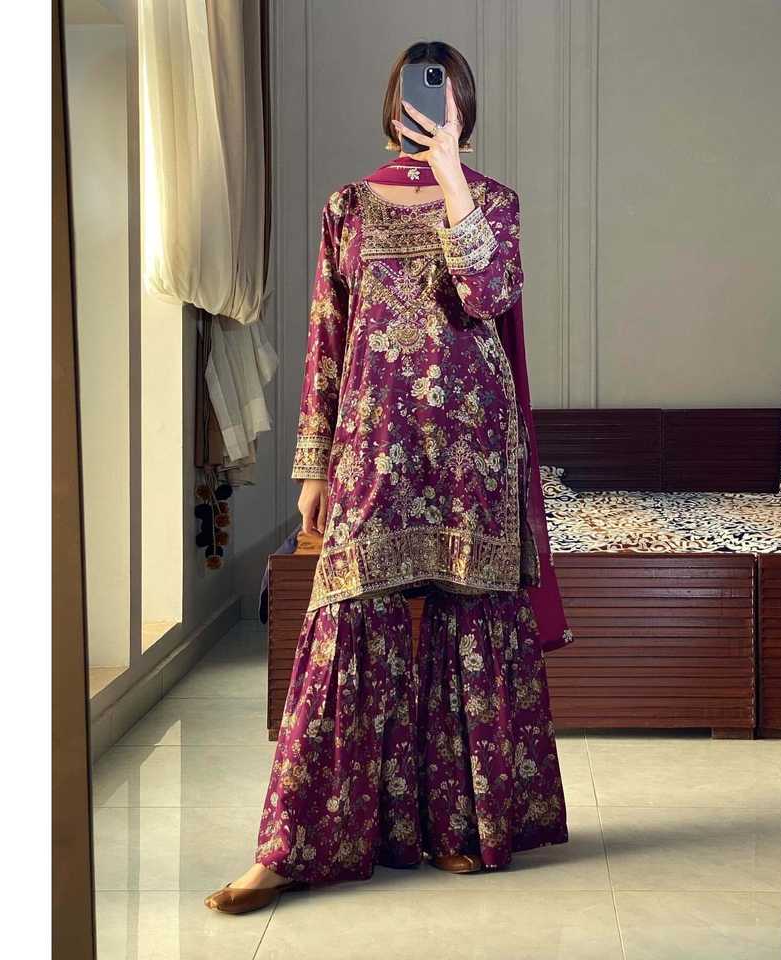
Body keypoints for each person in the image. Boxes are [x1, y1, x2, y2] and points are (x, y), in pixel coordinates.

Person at [206, 40, 572, 915]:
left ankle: (466, 826)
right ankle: (292, 848)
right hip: (373, 445)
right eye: (420, 93)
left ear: (464, 109)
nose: (431, 105)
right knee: (341, 628)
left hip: (472, 451)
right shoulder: (347, 207)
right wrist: (312, 465)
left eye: (446, 96)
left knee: (469, 625)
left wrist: (450, 177)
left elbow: (489, 295)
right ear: (394, 101)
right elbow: (327, 337)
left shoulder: (494, 203)